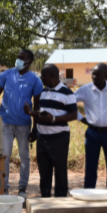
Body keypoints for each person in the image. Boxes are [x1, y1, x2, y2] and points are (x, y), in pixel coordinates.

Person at [0, 49, 44, 198]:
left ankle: (22, 188)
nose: (17, 60)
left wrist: (35, 128)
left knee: (24, 156)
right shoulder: (7, 74)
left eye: (21, 58)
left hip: (23, 124)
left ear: (28, 62)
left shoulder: (35, 80)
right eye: (17, 57)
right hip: (5, 122)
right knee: (5, 156)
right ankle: (5, 188)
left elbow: (37, 106)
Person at [26, 64, 77, 198]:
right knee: (44, 172)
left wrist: (53, 118)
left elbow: (73, 114)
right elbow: (42, 111)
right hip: (43, 137)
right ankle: (45, 200)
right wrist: (31, 113)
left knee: (60, 171)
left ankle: (60, 202)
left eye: (43, 76)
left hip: (59, 138)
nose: (41, 78)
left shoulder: (66, 92)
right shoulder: (43, 92)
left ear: (52, 76)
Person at [75, 63, 107, 189]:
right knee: (91, 166)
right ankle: (89, 194)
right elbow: (69, 103)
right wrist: (81, 118)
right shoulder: (85, 89)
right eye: (93, 74)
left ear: (105, 75)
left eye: (98, 74)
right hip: (92, 133)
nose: (95, 77)